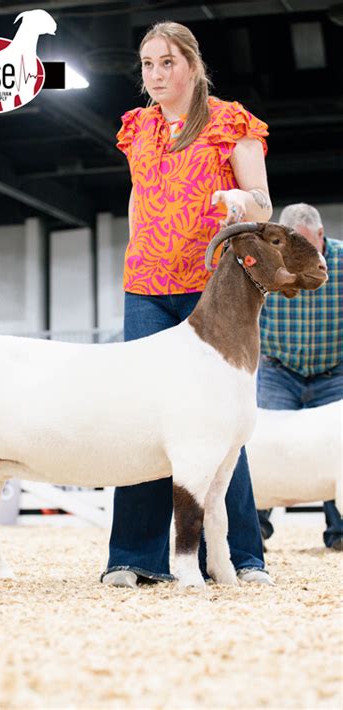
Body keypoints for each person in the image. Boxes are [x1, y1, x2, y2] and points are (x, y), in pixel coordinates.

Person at [102, 21, 274, 588]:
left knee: (218, 424)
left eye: (167, 62)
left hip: (212, 288)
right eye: (148, 64)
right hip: (147, 285)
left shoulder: (232, 123)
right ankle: (134, 557)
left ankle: (241, 557)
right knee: (139, 419)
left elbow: (265, 206)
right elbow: (138, 196)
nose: (155, 74)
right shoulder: (137, 129)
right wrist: (135, 251)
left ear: (193, 65)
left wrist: (240, 199)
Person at [257, 203, 343, 551]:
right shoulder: (270, 262)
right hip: (279, 369)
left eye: (307, 244)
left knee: (338, 451)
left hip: (333, 370)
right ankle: (253, 533)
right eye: (294, 245)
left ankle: (339, 534)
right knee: (260, 449)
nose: (300, 254)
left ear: (321, 236)